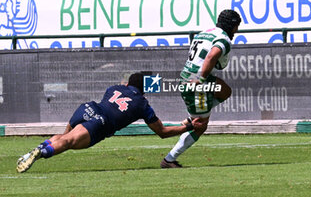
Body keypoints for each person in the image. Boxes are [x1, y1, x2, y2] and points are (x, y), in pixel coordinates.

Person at [16, 73, 203, 173]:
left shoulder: (115, 88)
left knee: (64, 138)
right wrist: (187, 126)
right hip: (100, 123)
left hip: (87, 108)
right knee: (68, 143)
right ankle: (41, 152)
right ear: (145, 88)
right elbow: (162, 131)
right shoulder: (142, 104)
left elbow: (122, 90)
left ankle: (37, 149)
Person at [160, 9, 242, 168]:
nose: (237, 30)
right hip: (197, 81)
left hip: (187, 76)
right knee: (200, 126)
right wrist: (201, 78)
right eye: (237, 26)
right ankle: (169, 160)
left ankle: (193, 117)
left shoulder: (206, 32)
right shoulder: (224, 39)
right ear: (232, 26)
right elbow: (212, 56)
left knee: (225, 91)